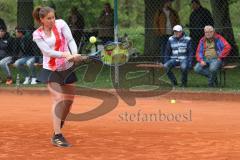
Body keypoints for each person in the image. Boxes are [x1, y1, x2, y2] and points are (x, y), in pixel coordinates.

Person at [32, 6, 86, 147]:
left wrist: (74, 54)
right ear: (41, 20)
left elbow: (70, 40)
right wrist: (66, 55)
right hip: (51, 69)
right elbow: (48, 52)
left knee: (68, 102)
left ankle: (59, 123)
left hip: (66, 68)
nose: (52, 20)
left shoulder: (61, 24)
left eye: (53, 17)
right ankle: (57, 135)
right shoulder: (37, 35)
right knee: (58, 99)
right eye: (48, 18)